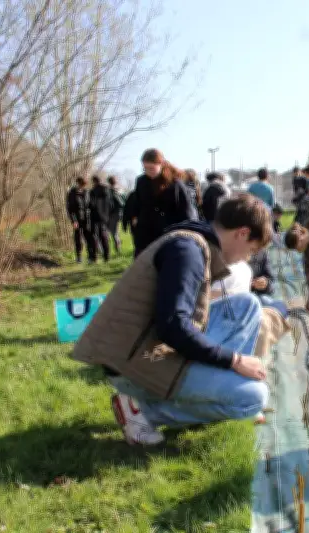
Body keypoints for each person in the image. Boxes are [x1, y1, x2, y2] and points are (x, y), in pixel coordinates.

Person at [71, 194, 273, 446]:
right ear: (242, 233)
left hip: (146, 347)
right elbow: (172, 327)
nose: (247, 258)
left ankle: (220, 392)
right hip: (136, 364)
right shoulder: (187, 252)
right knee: (254, 397)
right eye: (251, 250)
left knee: (248, 305)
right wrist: (235, 359)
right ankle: (145, 413)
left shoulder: (195, 243)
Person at [130, 149, 198, 257]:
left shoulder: (175, 184)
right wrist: (135, 219)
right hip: (145, 233)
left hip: (168, 233)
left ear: (161, 164)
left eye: (151, 168)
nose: (148, 171)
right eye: (145, 168)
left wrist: (187, 234)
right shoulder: (141, 181)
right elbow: (137, 204)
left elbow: (186, 212)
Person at [65, 176, 94, 264]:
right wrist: (74, 221)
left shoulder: (87, 192)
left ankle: (90, 257)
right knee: (78, 238)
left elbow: (90, 205)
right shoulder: (72, 193)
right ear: (78, 183)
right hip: (77, 219)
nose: (83, 187)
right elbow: (70, 208)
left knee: (88, 238)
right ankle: (79, 257)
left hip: (87, 219)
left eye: (84, 185)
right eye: (81, 185)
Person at [87, 175, 112, 263]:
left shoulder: (92, 191)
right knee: (104, 236)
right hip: (105, 217)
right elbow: (110, 204)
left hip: (95, 217)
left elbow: (91, 204)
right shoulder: (107, 190)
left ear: (94, 181)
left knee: (94, 237)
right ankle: (106, 256)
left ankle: (94, 257)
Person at [107, 176, 125, 254]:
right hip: (121, 213)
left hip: (113, 213)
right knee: (115, 231)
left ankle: (117, 247)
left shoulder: (110, 191)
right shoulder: (120, 190)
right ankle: (118, 244)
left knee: (113, 232)